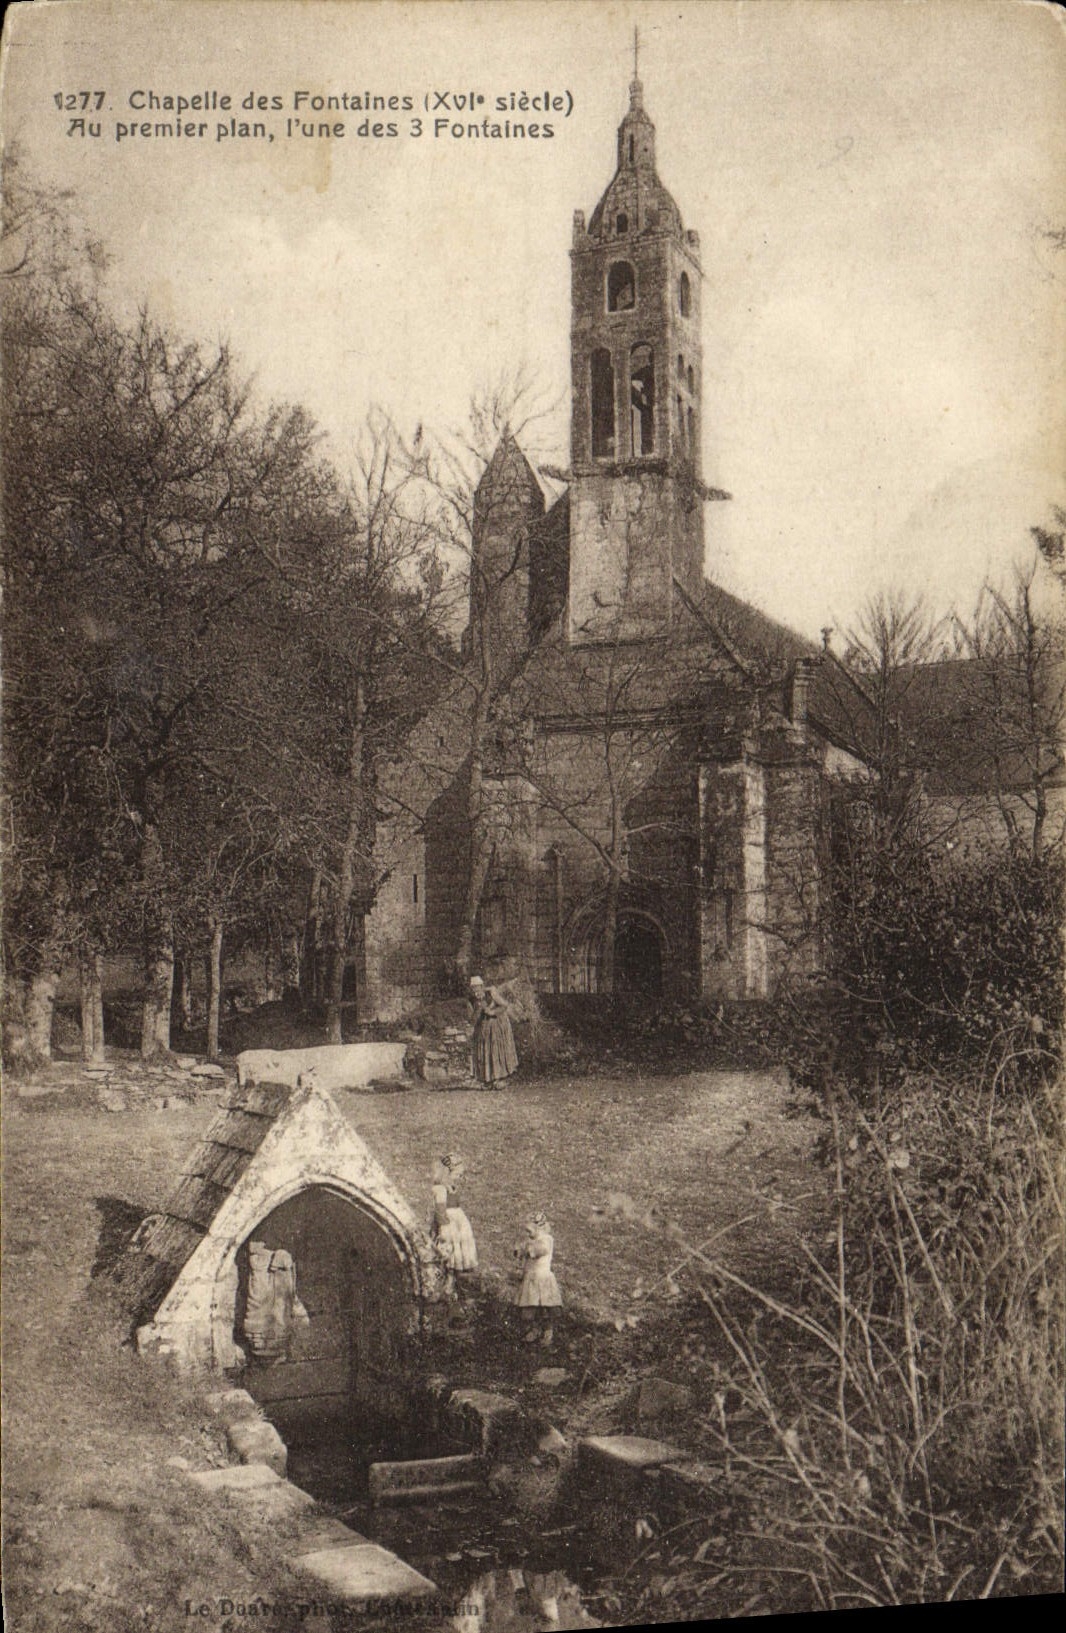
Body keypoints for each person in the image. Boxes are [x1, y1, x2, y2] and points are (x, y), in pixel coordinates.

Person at [430, 1153, 478, 1292]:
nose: (459, 1178)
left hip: (458, 1221)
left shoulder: (452, 1188)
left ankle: (456, 1276)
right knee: (449, 1249)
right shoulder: (440, 1189)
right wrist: (444, 1227)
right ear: (447, 1173)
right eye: (457, 1174)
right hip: (448, 1222)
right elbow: (440, 1210)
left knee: (459, 1247)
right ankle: (448, 1278)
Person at [515, 1211, 562, 1347]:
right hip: (531, 1278)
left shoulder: (546, 1240)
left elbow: (539, 1250)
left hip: (542, 1278)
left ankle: (548, 1332)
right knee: (530, 1306)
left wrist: (527, 1249)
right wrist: (519, 1251)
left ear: (538, 1228)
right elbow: (523, 1251)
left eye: (530, 1231)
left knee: (546, 1307)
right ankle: (534, 1329)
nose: (528, 1234)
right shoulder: (530, 1240)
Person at [469, 974, 518, 1088]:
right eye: (473, 988)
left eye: (477, 987)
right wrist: (478, 1009)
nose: (475, 990)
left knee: (496, 1052)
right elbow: (471, 1019)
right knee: (485, 1053)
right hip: (482, 1029)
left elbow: (504, 1005)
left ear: (482, 986)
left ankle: (498, 1079)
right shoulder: (472, 1000)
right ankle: (487, 1080)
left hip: (496, 1026)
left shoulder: (491, 993)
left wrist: (492, 1012)